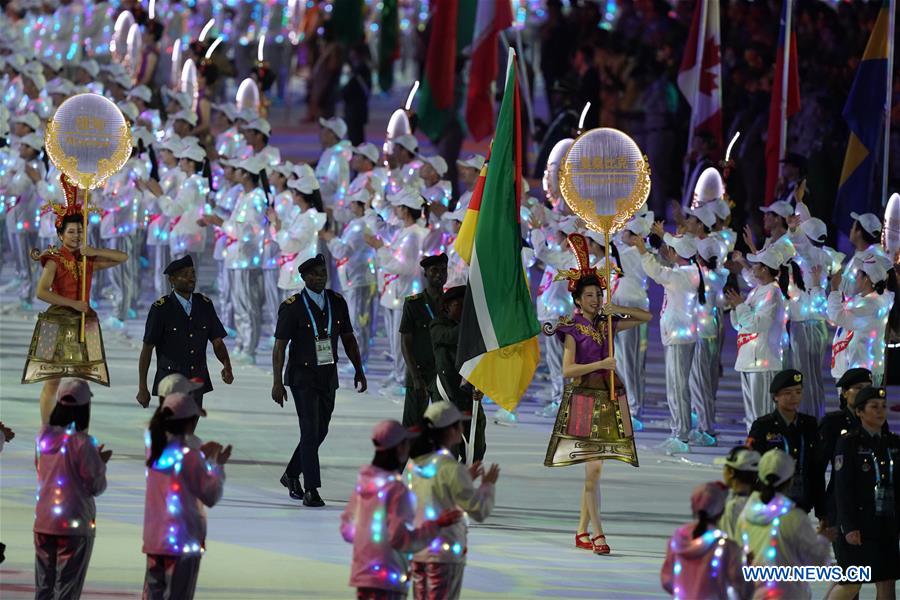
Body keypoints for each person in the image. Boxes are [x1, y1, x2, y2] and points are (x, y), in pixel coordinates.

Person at [545, 233, 649, 554]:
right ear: (577, 299)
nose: (594, 299)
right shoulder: (572, 328)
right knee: (594, 469)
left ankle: (580, 531)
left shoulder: (608, 323)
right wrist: (603, 362)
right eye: (589, 295)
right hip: (583, 399)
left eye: (597, 294)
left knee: (596, 469)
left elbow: (645, 317)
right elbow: (567, 370)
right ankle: (599, 534)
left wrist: (616, 307)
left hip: (608, 398)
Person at [271, 255, 367, 507]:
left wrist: (359, 369)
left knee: (320, 430)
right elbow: (279, 347)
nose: (320, 277)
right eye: (314, 274)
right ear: (304, 278)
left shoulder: (336, 302)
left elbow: (348, 338)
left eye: (323, 273)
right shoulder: (292, 307)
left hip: (328, 374)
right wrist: (277, 381)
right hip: (301, 376)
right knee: (309, 429)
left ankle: (292, 473)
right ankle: (311, 488)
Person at [340, 420, 462, 600]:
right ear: (399, 449)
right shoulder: (396, 490)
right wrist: (436, 525)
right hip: (389, 578)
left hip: (364, 576)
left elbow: (348, 530)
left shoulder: (364, 484)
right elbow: (400, 538)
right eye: (406, 443)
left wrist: (370, 544)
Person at [27, 204, 127, 423]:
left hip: (85, 321)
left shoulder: (87, 259)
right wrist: (72, 303)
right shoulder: (54, 260)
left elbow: (123, 257)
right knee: (52, 381)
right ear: (61, 234)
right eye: (71, 232)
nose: (76, 236)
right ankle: (47, 430)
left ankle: (81, 433)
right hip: (56, 321)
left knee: (82, 382)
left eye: (80, 231)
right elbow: (41, 292)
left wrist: (95, 251)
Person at [142, 393, 230, 600]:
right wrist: (216, 465)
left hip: (155, 540)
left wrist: (201, 454)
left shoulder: (153, 452)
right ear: (190, 423)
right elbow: (211, 495)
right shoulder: (189, 458)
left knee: (152, 593)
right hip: (183, 542)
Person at [409, 402, 500, 600]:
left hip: (418, 549)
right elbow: (478, 510)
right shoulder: (451, 468)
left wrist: (464, 478)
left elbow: (432, 491)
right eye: (459, 425)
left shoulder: (414, 465)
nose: (462, 429)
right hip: (444, 553)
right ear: (449, 431)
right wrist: (487, 486)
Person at [629, 225, 704, 453]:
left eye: (671, 250)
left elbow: (657, 272)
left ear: (676, 254)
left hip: (680, 337)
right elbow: (665, 267)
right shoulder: (688, 271)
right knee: (676, 385)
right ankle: (678, 431)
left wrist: (643, 251)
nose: (667, 252)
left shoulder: (682, 275)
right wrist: (662, 239)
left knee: (678, 387)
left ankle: (681, 435)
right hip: (677, 335)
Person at [34, 378, 111, 600]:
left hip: (44, 521)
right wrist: (100, 462)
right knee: (67, 589)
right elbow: (96, 486)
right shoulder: (83, 443)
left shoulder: (43, 437)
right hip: (74, 524)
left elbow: (41, 469)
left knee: (44, 588)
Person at [137, 256, 233, 410]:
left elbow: (217, 340)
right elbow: (147, 349)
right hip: (170, 380)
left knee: (189, 427)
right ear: (172, 280)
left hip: (197, 379)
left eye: (193, 274)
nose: (191, 278)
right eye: (185, 274)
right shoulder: (161, 309)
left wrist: (227, 365)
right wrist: (143, 387)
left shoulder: (204, 305)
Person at [832, 387, 900, 600]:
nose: (880, 412)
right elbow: (842, 489)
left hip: (887, 522)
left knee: (888, 581)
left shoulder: (893, 443)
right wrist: (849, 526)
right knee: (852, 583)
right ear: (860, 412)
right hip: (861, 523)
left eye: (883, 407)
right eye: (874, 407)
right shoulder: (849, 443)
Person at [736, 449, 830, 600]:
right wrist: (823, 540)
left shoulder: (745, 514)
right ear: (790, 480)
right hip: (789, 593)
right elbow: (816, 562)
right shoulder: (794, 518)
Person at [366, 187, 428, 394]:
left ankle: (403, 380)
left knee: (402, 339)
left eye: (398, 206)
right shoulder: (404, 230)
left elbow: (404, 267)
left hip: (405, 293)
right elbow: (385, 233)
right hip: (393, 292)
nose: (395, 208)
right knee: (395, 338)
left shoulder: (414, 235)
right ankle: (398, 373)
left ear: (405, 209)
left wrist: (380, 249)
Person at [724, 244, 788, 429]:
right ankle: (752, 448)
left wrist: (741, 306)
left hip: (763, 361)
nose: (753, 269)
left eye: (757, 266)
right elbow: (740, 325)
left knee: (762, 414)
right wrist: (736, 306)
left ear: (765, 269)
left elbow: (759, 324)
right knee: (752, 415)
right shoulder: (757, 290)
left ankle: (764, 451)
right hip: (748, 359)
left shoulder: (773, 293)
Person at [746, 370, 822, 515]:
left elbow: (816, 469)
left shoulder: (809, 424)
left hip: (801, 500)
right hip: (770, 499)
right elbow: (751, 465)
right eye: (788, 393)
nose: (794, 397)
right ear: (776, 396)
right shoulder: (763, 426)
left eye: (798, 392)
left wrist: (822, 510)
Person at [660, 482, 751, 600]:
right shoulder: (726, 546)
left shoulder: (677, 541)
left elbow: (667, 580)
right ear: (721, 510)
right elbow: (741, 586)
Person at [320, 188, 378, 368]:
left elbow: (343, 251)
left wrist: (331, 239)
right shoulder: (356, 223)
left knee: (357, 321)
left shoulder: (360, 226)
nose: (349, 205)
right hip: (354, 278)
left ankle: (359, 361)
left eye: (353, 202)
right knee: (356, 320)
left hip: (359, 279)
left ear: (359, 205)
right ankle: (359, 360)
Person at [817, 368, 875, 546]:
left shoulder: (878, 420)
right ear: (844, 393)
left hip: (872, 505)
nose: (864, 393)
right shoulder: (833, 423)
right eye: (858, 388)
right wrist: (822, 510)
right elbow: (818, 468)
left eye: (867, 388)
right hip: (841, 505)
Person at [430, 285, 486, 462]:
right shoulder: (437, 326)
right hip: (446, 394)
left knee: (476, 448)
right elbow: (452, 337)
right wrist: (472, 323)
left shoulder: (473, 331)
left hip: (468, 396)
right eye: (459, 306)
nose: (464, 311)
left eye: (467, 306)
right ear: (447, 307)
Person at [828, 255, 894, 386]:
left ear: (866, 279)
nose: (854, 278)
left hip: (861, 375)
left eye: (857, 274)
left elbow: (837, 316)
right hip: (855, 370)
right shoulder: (867, 299)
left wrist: (834, 289)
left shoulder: (872, 306)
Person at [398, 253, 447, 425]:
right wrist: (416, 377)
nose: (439, 274)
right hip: (418, 372)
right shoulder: (413, 304)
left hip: (444, 373)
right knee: (413, 427)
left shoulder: (453, 304)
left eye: (443, 270)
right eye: (434, 270)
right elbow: (406, 343)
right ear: (425, 274)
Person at [715, 446, 760, 539]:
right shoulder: (761, 501)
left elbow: (732, 544)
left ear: (731, 472)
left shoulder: (734, 507)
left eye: (725, 467)